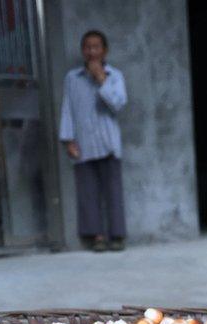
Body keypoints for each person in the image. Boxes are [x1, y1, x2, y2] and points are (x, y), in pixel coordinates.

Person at [60, 30, 128, 252]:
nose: (92, 51)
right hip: (84, 144)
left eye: (96, 47)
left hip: (108, 143)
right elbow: (67, 109)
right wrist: (68, 140)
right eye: (87, 47)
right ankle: (97, 237)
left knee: (113, 192)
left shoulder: (115, 76)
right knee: (88, 193)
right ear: (82, 50)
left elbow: (118, 104)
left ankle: (117, 236)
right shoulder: (73, 78)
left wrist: (101, 79)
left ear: (104, 50)